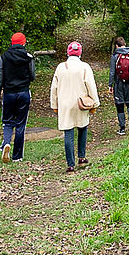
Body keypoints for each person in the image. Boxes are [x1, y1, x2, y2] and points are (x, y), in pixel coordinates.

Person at [50, 41, 99, 173]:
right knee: (83, 127)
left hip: (65, 104)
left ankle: (70, 164)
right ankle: (82, 157)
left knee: (68, 132)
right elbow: (91, 86)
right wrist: (95, 103)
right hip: (81, 103)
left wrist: (54, 105)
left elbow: (54, 88)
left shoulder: (60, 67)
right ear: (80, 53)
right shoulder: (84, 67)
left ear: (68, 52)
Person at [0, 32, 35, 163]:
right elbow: (32, 76)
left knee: (7, 121)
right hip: (23, 93)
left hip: (9, 94)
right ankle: (17, 156)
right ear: (24, 42)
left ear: (12, 43)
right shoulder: (28, 57)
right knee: (21, 124)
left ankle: (6, 143)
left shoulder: (4, 57)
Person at [109, 36, 129, 136]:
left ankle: (122, 129)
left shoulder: (115, 56)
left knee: (120, 105)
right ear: (125, 44)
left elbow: (112, 72)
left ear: (116, 46)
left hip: (119, 84)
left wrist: (110, 84)